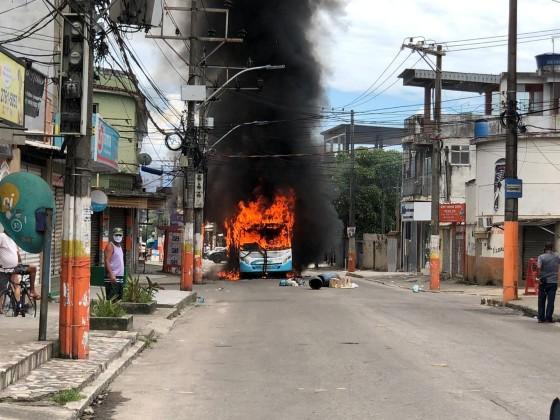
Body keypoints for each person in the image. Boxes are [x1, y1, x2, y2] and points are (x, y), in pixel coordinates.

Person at [537, 243, 560, 323]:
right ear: (552, 248)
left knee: (541, 300)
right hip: (553, 282)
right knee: (551, 301)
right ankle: (548, 318)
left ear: (545, 248)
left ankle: (540, 318)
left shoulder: (541, 257)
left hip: (543, 281)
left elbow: (539, 268)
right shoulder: (557, 256)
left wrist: (538, 278)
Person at [104, 227, 125, 301]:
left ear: (122, 236)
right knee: (112, 299)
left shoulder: (119, 246)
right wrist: (111, 274)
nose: (118, 237)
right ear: (113, 235)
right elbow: (107, 260)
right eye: (116, 235)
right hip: (113, 277)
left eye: (120, 235)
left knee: (118, 299)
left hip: (119, 277)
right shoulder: (110, 246)